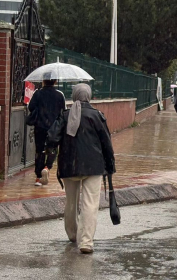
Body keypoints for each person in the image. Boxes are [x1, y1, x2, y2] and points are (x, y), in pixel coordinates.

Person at [47, 84, 115, 254]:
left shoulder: (65, 115)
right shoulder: (97, 116)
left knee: (71, 202)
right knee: (90, 204)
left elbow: (52, 138)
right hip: (93, 166)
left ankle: (72, 234)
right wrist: (110, 166)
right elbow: (106, 143)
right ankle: (86, 242)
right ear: (89, 96)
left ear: (74, 96)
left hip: (69, 165)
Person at [27, 78, 66, 186]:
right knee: (53, 149)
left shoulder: (38, 93)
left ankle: (38, 177)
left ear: (43, 81)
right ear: (55, 81)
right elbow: (63, 111)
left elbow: (31, 107)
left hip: (40, 126)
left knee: (39, 150)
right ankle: (47, 167)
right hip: (54, 128)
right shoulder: (59, 94)